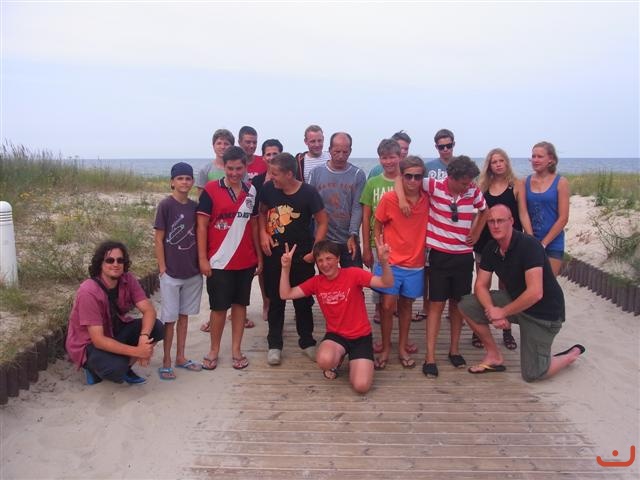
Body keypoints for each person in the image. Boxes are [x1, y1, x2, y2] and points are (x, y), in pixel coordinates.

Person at [458, 204, 585, 380]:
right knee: (467, 305)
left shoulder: (529, 245)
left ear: (511, 221)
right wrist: (492, 310)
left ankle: (569, 356)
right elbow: (480, 285)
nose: (495, 225)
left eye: (500, 220)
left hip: (544, 314)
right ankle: (494, 355)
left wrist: (502, 312)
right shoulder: (491, 248)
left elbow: (535, 292)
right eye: (491, 221)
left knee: (534, 374)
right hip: (516, 302)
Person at [397, 155, 488, 378]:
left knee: (458, 305)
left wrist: (476, 232)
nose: (468, 186)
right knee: (436, 305)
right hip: (439, 255)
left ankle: (454, 350)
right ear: (451, 177)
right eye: (463, 182)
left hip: (463, 257)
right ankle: (430, 357)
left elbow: (485, 210)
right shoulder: (434, 186)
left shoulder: (473, 191)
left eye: (469, 181)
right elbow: (400, 179)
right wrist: (401, 200)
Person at [279, 238, 393, 394]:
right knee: (324, 360)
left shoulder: (353, 274)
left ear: (338, 258)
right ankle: (337, 359)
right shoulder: (316, 282)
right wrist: (285, 268)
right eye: (320, 260)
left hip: (361, 337)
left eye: (329, 258)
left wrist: (384, 262)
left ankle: (355, 360)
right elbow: (285, 294)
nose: (325, 264)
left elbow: (386, 283)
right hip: (336, 336)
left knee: (361, 386)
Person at [258, 152, 328, 366]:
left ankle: (307, 341)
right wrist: (263, 233)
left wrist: (314, 252)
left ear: (289, 174)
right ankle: (274, 344)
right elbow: (262, 213)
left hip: (302, 255)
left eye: (275, 174)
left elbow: (323, 221)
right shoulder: (268, 189)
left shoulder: (309, 193)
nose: (271, 177)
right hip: (275, 254)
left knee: (303, 301)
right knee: (275, 300)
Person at [196, 146, 262, 371]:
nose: (234, 173)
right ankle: (214, 350)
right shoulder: (210, 189)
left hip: (245, 260)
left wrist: (259, 257)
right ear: (223, 166)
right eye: (230, 168)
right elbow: (201, 226)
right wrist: (202, 258)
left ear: (245, 167)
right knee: (219, 308)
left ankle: (236, 350)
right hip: (219, 261)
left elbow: (254, 225)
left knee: (240, 306)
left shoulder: (251, 190)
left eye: (239, 168)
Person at [65, 241, 164, 385]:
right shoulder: (88, 292)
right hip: (89, 343)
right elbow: (98, 340)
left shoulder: (127, 279)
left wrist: (143, 337)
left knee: (157, 327)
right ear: (100, 263)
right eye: (110, 260)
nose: (115, 264)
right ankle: (93, 369)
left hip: (113, 330)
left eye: (120, 260)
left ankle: (126, 367)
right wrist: (138, 351)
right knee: (116, 367)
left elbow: (148, 310)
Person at [373, 156, 429, 370]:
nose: (413, 181)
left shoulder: (428, 198)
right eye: (408, 176)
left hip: (415, 264)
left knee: (407, 306)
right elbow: (377, 225)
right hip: (391, 262)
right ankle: (386, 347)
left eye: (418, 176)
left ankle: (403, 347)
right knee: (387, 306)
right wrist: (379, 248)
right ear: (402, 177)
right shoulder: (389, 199)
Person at [470, 148, 529, 351]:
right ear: (489, 165)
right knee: (481, 284)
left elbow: (522, 213)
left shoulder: (517, 185)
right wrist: (473, 233)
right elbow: (477, 214)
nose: (498, 164)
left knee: (506, 286)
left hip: (509, 242)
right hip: (484, 242)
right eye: (494, 161)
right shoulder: (482, 186)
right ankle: (479, 329)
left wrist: (530, 238)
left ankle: (507, 330)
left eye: (501, 160)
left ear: (507, 163)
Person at [154, 162, 204, 380]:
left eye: (188, 178)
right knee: (170, 319)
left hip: (192, 272)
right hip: (171, 273)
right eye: (180, 178)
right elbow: (159, 238)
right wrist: (162, 268)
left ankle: (181, 357)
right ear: (172, 182)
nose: (184, 182)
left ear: (192, 181)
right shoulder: (166, 205)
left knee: (184, 317)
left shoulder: (195, 207)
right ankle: (166, 360)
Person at [308, 132, 366, 267]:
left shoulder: (358, 174)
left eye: (345, 152)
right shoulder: (316, 173)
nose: (341, 156)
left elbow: (357, 207)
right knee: (327, 276)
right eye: (337, 152)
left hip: (348, 239)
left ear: (350, 151)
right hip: (324, 240)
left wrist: (353, 234)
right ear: (329, 150)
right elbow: (310, 206)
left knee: (354, 276)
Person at [520, 141, 569, 277]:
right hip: (530, 241)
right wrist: (531, 239)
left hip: (553, 242)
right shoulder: (524, 182)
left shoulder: (561, 182)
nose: (535, 160)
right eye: (533, 156)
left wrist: (544, 243)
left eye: (540, 156)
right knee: (529, 283)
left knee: (548, 283)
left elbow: (563, 218)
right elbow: (523, 212)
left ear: (550, 159)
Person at [251, 138, 284, 321]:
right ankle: (266, 301)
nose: (271, 157)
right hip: (262, 229)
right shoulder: (257, 181)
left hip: (283, 228)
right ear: (263, 157)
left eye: (275, 154)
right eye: (268, 154)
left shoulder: (287, 178)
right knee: (263, 268)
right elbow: (256, 210)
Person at [195, 128, 235, 194]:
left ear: (232, 147)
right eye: (219, 143)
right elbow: (201, 196)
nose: (222, 147)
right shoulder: (205, 170)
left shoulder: (239, 169)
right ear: (213, 146)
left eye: (226, 144)